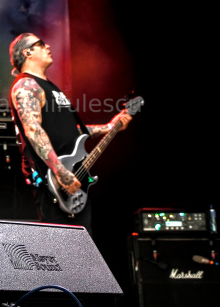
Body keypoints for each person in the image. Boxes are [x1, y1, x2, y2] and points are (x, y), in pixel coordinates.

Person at [8, 34, 131, 232]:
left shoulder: (50, 87)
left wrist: (110, 126)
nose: (48, 46)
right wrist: (60, 172)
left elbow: (70, 131)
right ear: (27, 52)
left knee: (82, 244)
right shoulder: (26, 85)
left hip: (74, 179)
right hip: (55, 182)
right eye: (41, 44)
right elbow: (33, 129)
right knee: (61, 245)